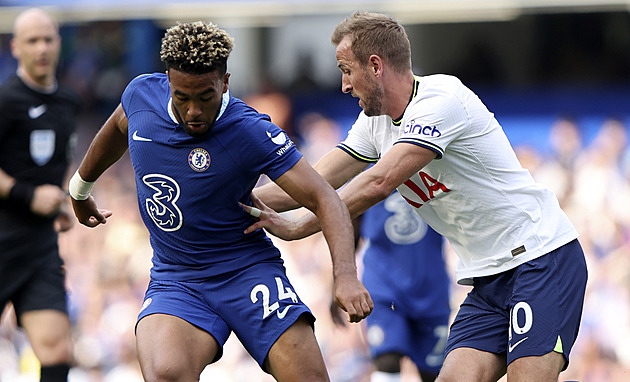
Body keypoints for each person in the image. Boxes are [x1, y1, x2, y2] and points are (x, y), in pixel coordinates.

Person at [245, 11, 588, 382]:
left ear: (375, 66)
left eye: (347, 70)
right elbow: (313, 182)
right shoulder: (375, 122)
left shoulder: (442, 100)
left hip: (541, 259)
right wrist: (235, 199)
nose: (343, 85)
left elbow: (379, 182)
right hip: (489, 278)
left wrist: (301, 227)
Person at [68, 21, 372, 382]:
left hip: (247, 270)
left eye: (205, 97)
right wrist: (80, 188)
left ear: (224, 83)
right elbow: (119, 128)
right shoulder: (141, 97)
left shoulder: (250, 131)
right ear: (167, 82)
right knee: (165, 374)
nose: (193, 110)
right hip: (177, 277)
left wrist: (345, 275)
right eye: (182, 97)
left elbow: (324, 196)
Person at [0, 8, 80, 382]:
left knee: (58, 351)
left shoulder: (68, 101)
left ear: (59, 43)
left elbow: (50, 165)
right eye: (32, 40)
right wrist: (26, 195)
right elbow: (26, 182)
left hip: (38, 245)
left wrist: (61, 202)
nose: (42, 47)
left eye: (48, 38)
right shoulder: (6, 99)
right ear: (15, 47)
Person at [330, 190, 451, 382]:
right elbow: (350, 225)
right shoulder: (364, 168)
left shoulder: (437, 165)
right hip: (383, 285)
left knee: (434, 373)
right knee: (387, 360)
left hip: (431, 287)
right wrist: (338, 281)